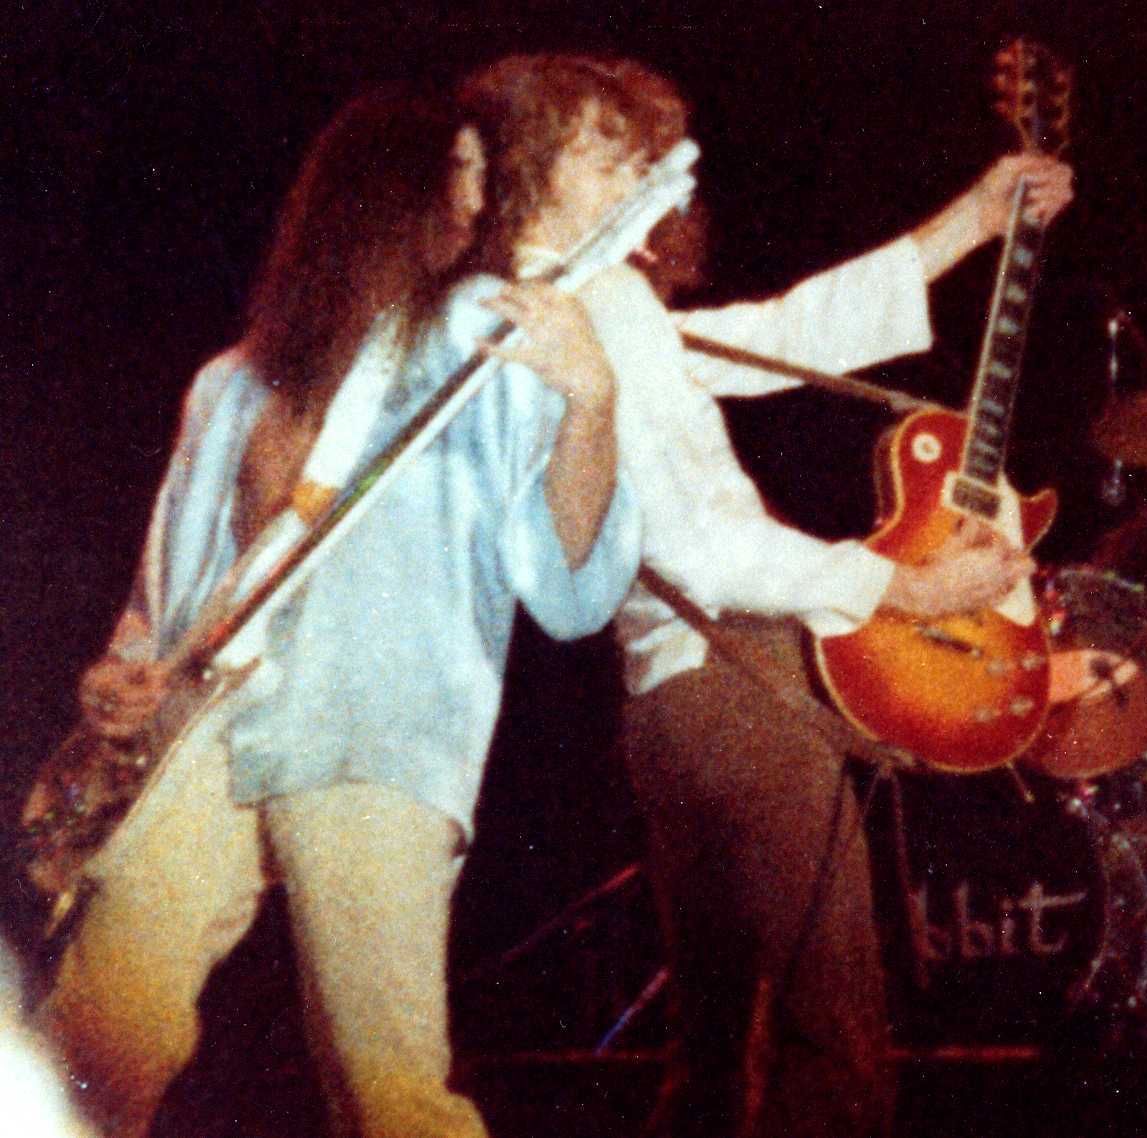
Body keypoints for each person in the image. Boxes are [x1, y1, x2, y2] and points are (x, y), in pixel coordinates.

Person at [461, 54, 1074, 1138]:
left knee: (713, 1059)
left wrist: (972, 223)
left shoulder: (548, 305)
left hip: (668, 710)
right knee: (831, 1044)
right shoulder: (602, 300)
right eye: (609, 152)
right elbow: (708, 545)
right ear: (534, 167)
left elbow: (777, 333)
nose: (644, 178)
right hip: (741, 692)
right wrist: (912, 586)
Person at [32, 85, 642, 1138]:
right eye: (459, 172)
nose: (479, 199)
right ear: (379, 193)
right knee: (97, 1032)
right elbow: (162, 597)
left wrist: (590, 402)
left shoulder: (481, 344)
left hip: (379, 721)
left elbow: (568, 586)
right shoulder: (228, 386)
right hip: (208, 722)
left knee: (385, 1078)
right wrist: (121, 672)